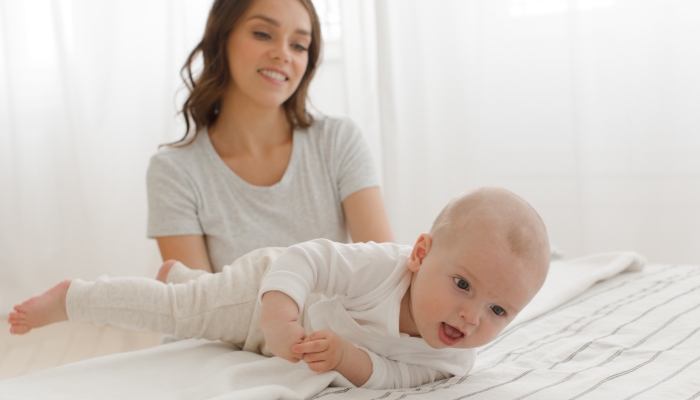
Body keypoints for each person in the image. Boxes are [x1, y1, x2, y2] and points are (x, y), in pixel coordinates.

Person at [7, 187, 551, 389]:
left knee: (198, 295)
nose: (471, 316)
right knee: (182, 313)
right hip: (267, 296)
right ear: (420, 254)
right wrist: (278, 314)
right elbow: (306, 258)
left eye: (499, 309)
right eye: (463, 284)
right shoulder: (380, 269)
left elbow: (396, 374)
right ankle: (74, 297)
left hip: (289, 334)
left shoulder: (457, 360)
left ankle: (181, 275)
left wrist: (347, 358)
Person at [149, 0, 393, 274]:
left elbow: (383, 276)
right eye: (263, 34)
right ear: (221, 38)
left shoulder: (339, 141)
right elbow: (199, 309)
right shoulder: (173, 172)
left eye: (299, 45)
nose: (283, 54)